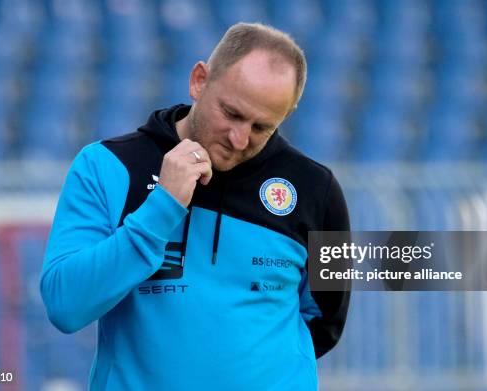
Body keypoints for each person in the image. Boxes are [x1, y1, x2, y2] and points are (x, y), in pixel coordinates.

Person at [40, 22, 350, 390]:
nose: (239, 139)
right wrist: (162, 208)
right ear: (199, 80)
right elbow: (66, 305)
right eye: (232, 114)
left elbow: (326, 323)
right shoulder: (107, 166)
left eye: (261, 127)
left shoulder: (318, 189)